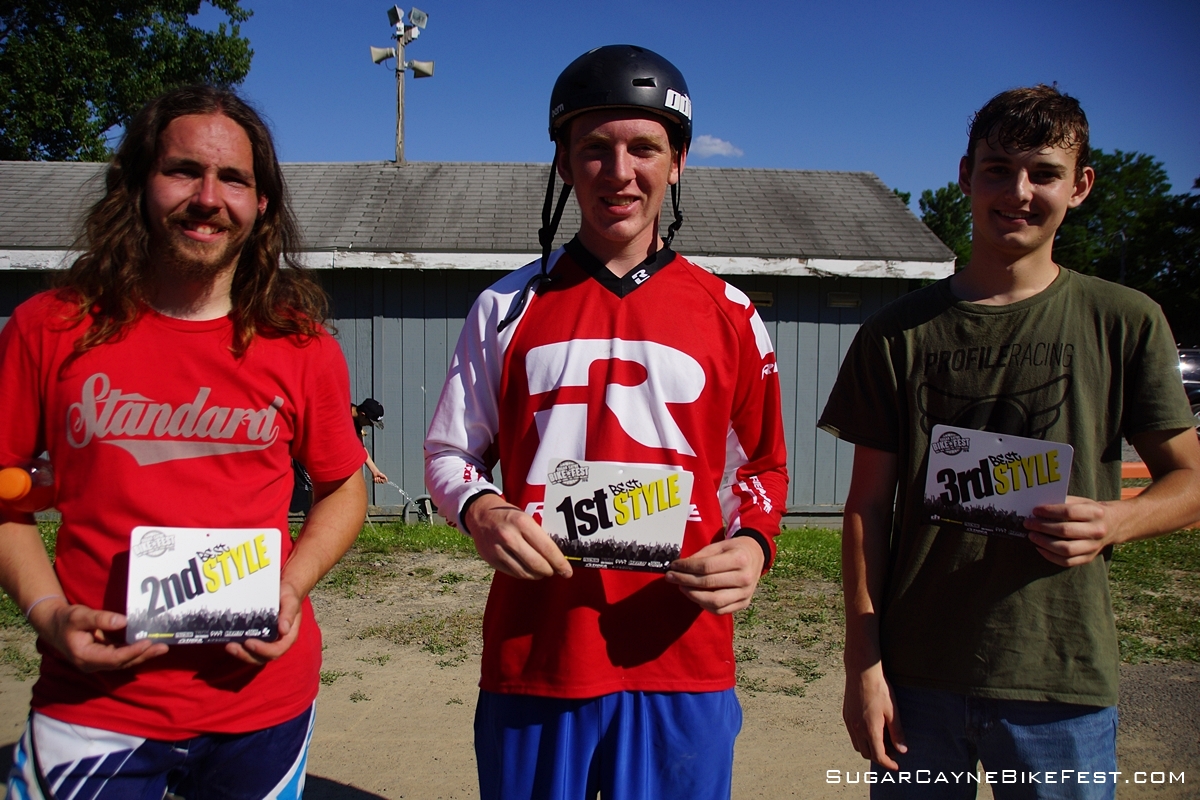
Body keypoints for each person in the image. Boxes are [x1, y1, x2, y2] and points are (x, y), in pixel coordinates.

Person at [424, 45, 788, 800]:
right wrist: (481, 510)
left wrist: (754, 545)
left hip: (681, 659)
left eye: (644, 148)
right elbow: (451, 452)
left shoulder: (731, 313)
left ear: (677, 162)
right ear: (563, 162)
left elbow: (762, 468)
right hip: (538, 655)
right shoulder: (504, 308)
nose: (619, 172)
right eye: (594, 148)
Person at [818, 85, 1200, 798]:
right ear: (966, 176)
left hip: (1060, 676)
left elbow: (1191, 482)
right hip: (917, 678)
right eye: (998, 169)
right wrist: (861, 664)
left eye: (1044, 173)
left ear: (1080, 186)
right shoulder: (895, 334)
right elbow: (866, 508)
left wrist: (1115, 520)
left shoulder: (1124, 319)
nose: (1018, 192)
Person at [0, 85, 368, 799]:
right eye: (183, 171)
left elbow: (342, 486)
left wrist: (291, 587)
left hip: (262, 702)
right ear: (138, 183)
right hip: (94, 703)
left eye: (233, 179)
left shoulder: (302, 346)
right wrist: (48, 616)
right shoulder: (48, 328)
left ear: (261, 204)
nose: (208, 198)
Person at [351, 398, 389, 483]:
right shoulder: (340, 414)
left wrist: (375, 471)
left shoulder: (356, 422)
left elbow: (360, 447)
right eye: (371, 422)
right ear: (362, 414)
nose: (371, 426)